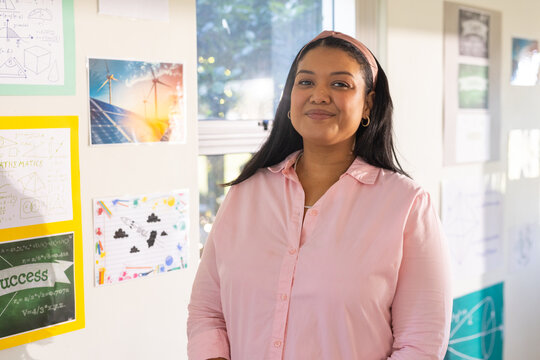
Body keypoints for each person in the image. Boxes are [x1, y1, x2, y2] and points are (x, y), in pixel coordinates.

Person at [187, 30, 452, 360]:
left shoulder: (407, 205)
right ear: (289, 99)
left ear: (368, 103)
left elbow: (421, 343)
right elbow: (208, 313)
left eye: (340, 84)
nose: (319, 95)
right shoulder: (245, 194)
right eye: (306, 82)